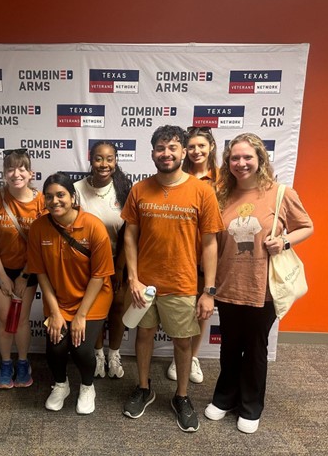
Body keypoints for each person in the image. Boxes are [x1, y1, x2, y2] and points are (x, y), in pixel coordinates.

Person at [204, 133, 313, 434]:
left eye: (247, 157)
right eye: (235, 158)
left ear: (260, 159)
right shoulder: (221, 194)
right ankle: (225, 397)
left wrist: (285, 241)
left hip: (261, 289)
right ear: (228, 162)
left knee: (254, 348)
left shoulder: (280, 193)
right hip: (228, 286)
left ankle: (251, 406)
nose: (241, 163)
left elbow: (307, 226)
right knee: (229, 347)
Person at [121, 125, 224, 432]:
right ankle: (143, 388)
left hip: (182, 282)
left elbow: (210, 243)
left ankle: (181, 396)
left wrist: (209, 291)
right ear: (153, 152)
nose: (166, 153)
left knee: (182, 343)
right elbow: (129, 236)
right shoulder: (140, 189)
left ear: (182, 152)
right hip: (145, 286)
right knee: (143, 337)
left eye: (172, 148)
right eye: (160, 148)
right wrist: (133, 279)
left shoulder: (202, 191)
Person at [27, 173, 115, 415]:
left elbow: (99, 276)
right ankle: (61, 384)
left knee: (81, 347)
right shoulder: (39, 227)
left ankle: (87, 387)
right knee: (55, 345)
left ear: (73, 197)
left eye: (61, 195)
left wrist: (81, 316)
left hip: (93, 297)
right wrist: (55, 312)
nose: (55, 201)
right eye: (49, 196)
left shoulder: (93, 226)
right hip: (59, 298)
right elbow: (41, 273)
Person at [0, 149, 46, 389]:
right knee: (4, 318)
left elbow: (41, 243)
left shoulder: (41, 201)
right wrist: (3, 277)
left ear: (30, 173)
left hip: (28, 269)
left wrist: (25, 275)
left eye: (21, 169)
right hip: (0, 269)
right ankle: (6, 363)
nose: (16, 174)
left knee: (22, 320)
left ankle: (23, 362)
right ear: (4, 173)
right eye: (10, 169)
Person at [74, 141, 132, 379]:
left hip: (118, 261)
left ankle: (114, 354)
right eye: (99, 158)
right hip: (87, 263)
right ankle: (97, 354)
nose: (104, 164)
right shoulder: (76, 189)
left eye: (109, 158)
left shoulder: (125, 190)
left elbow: (130, 232)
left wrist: (119, 268)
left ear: (115, 161)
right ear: (91, 159)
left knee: (118, 308)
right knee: (95, 311)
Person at [167, 126, 220, 384]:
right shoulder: (177, 176)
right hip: (179, 254)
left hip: (209, 254)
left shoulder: (223, 179)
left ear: (211, 146)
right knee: (177, 306)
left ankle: (193, 356)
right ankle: (179, 353)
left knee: (202, 306)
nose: (196, 151)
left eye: (202, 145)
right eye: (191, 147)